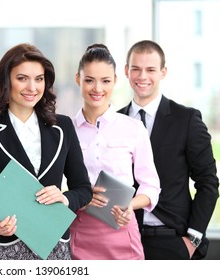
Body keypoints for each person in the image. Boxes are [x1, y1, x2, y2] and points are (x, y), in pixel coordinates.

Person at [0, 43, 93, 260]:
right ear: (6, 81)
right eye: (22, 78)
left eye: (39, 79)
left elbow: (84, 189)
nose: (32, 87)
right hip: (3, 251)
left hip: (54, 249)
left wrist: (65, 198)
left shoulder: (64, 127)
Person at [118, 40, 219, 260]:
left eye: (151, 69)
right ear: (126, 71)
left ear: (163, 72)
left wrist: (193, 239)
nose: (142, 76)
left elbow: (208, 182)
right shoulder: (114, 121)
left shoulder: (187, 120)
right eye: (136, 68)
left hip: (171, 241)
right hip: (122, 239)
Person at [69, 44, 161, 260]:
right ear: (77, 79)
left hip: (122, 228)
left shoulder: (133, 128)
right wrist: (78, 196)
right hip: (79, 231)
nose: (97, 88)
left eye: (106, 81)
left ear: (116, 81)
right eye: (89, 80)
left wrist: (130, 205)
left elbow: (151, 185)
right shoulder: (65, 129)